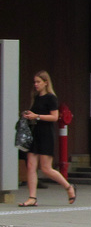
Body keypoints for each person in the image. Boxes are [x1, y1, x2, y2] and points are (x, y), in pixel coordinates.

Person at [18, 71, 75, 207]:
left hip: (46, 134)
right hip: (35, 133)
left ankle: (68, 187)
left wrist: (37, 116)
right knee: (31, 166)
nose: (36, 84)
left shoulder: (51, 98)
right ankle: (32, 197)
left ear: (46, 83)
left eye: (38, 82)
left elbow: (54, 117)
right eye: (35, 82)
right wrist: (28, 115)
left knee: (46, 168)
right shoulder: (36, 97)